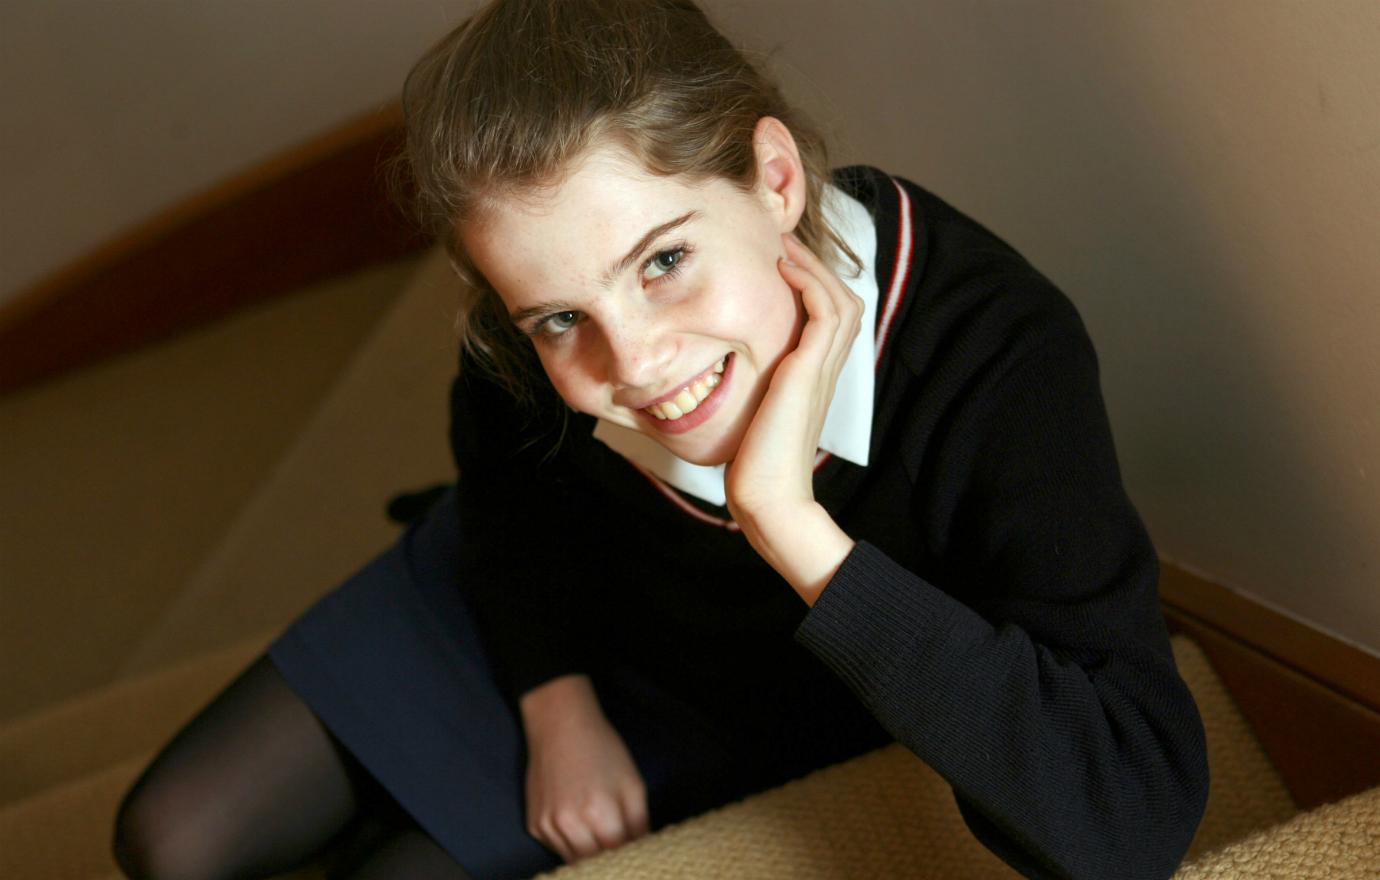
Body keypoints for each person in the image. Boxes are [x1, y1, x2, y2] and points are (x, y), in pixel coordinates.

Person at [112, 1, 1209, 878]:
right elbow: (500, 467)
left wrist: (790, 527)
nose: (632, 361)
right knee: (170, 835)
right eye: (556, 317)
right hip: (539, 588)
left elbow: (1127, 823)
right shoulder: (549, 313)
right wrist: (553, 696)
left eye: (664, 260)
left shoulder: (996, 353)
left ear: (776, 182)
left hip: (745, 691)